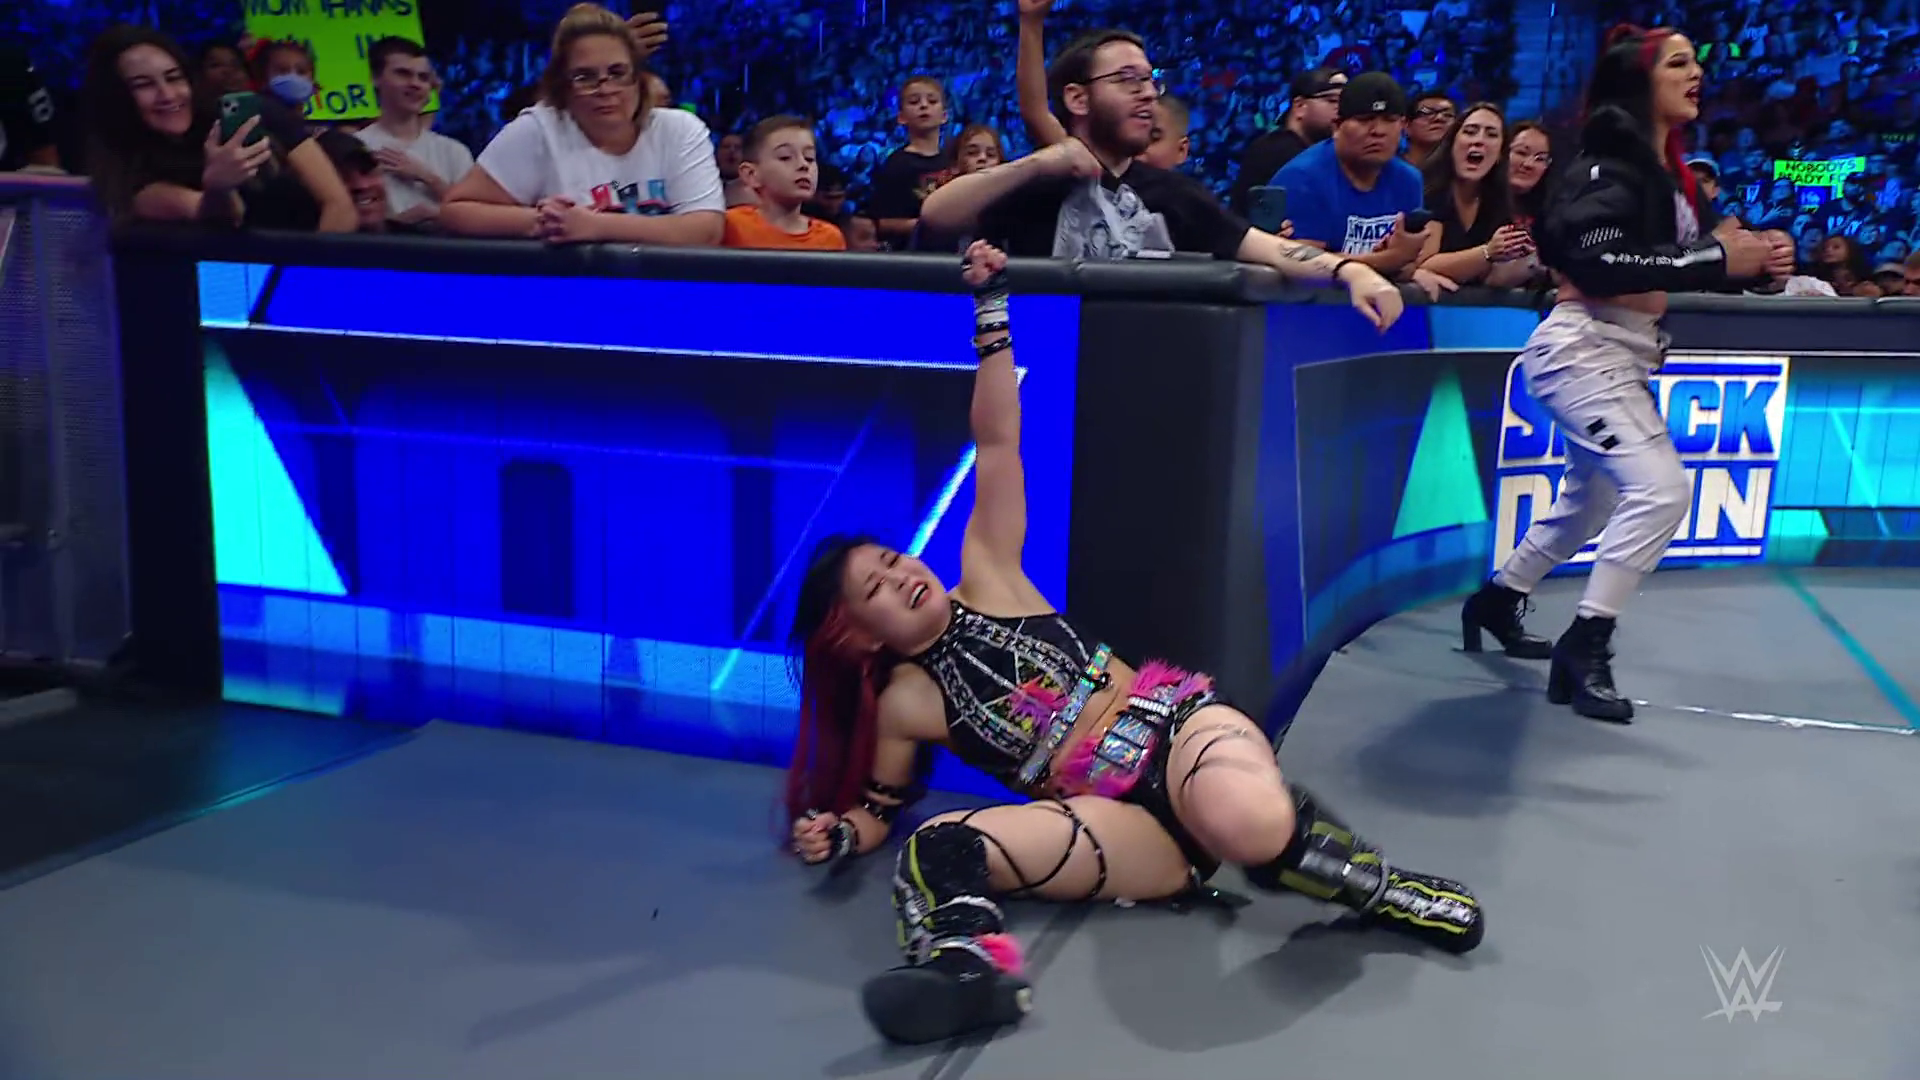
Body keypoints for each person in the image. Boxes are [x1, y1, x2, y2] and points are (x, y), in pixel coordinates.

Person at [789, 240, 1485, 1048]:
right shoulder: (904, 704)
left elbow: (998, 442)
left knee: (1244, 822)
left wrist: (991, 314)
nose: (902, 576)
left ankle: (1376, 886)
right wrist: (840, 834)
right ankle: (966, 970)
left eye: (894, 559)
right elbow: (880, 810)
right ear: (858, 636)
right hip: (1117, 824)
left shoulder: (987, 573)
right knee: (939, 844)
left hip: (1175, 730)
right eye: (875, 588)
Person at [1459, 25, 1790, 722]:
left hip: (1621, 351)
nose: (1696, 73)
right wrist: (1715, 260)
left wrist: (1756, 263)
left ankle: (1497, 598)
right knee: (1662, 489)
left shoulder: (1665, 173)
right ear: (1640, 81)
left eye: (1696, 61)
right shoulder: (1607, 165)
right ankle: (1586, 644)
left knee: (1595, 502)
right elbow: (1596, 259)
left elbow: (1680, 262)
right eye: (1678, 63)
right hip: (1583, 348)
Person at [915, 29, 1404, 321]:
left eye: (1150, 80)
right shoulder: (1035, 182)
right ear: (1078, 98)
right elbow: (937, 214)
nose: (1148, 93)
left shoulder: (1175, 195)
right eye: (1127, 80)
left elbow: (1270, 249)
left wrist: (1350, 271)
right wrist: (1043, 162)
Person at [439, 3, 723, 246]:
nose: (605, 89)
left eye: (617, 73)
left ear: (639, 78)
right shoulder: (539, 128)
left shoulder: (679, 129)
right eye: (585, 77)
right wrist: (543, 221)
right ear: (562, 86)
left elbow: (706, 231)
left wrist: (596, 226)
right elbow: (455, 212)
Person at [80, 25, 354, 232]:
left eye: (173, 78)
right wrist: (219, 186)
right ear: (116, 97)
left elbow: (339, 206)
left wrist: (307, 278)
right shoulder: (128, 173)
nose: (168, 95)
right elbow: (221, 215)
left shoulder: (252, 113)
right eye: (143, 85)